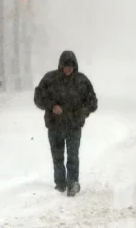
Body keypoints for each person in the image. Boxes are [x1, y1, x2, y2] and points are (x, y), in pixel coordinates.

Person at [34, 50, 98, 197]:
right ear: (60, 66)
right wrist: (51, 106)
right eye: (65, 66)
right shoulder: (50, 79)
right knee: (57, 157)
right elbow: (38, 97)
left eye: (71, 66)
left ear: (75, 66)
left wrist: (81, 112)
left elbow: (93, 102)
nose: (68, 69)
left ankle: (72, 183)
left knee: (73, 155)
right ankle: (60, 183)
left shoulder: (82, 81)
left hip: (74, 126)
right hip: (54, 125)